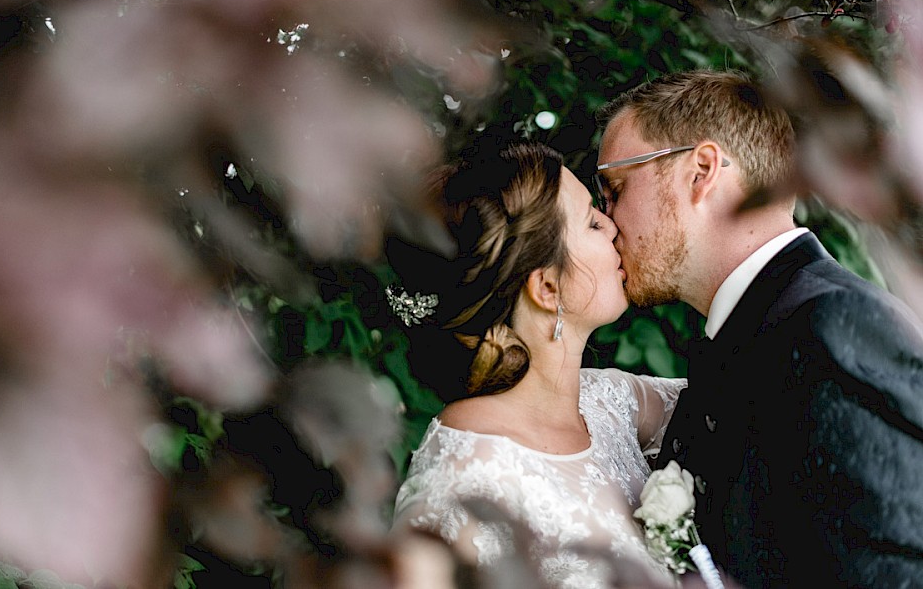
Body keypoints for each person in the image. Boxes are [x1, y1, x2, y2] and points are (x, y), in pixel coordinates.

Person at [592, 69, 923, 588]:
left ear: (701, 171)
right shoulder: (754, 332)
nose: (606, 219)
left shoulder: (832, 328)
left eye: (613, 187)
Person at [385, 143, 687, 588]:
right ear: (546, 287)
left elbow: (744, 398)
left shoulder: (610, 403)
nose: (612, 226)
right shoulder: (463, 484)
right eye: (590, 220)